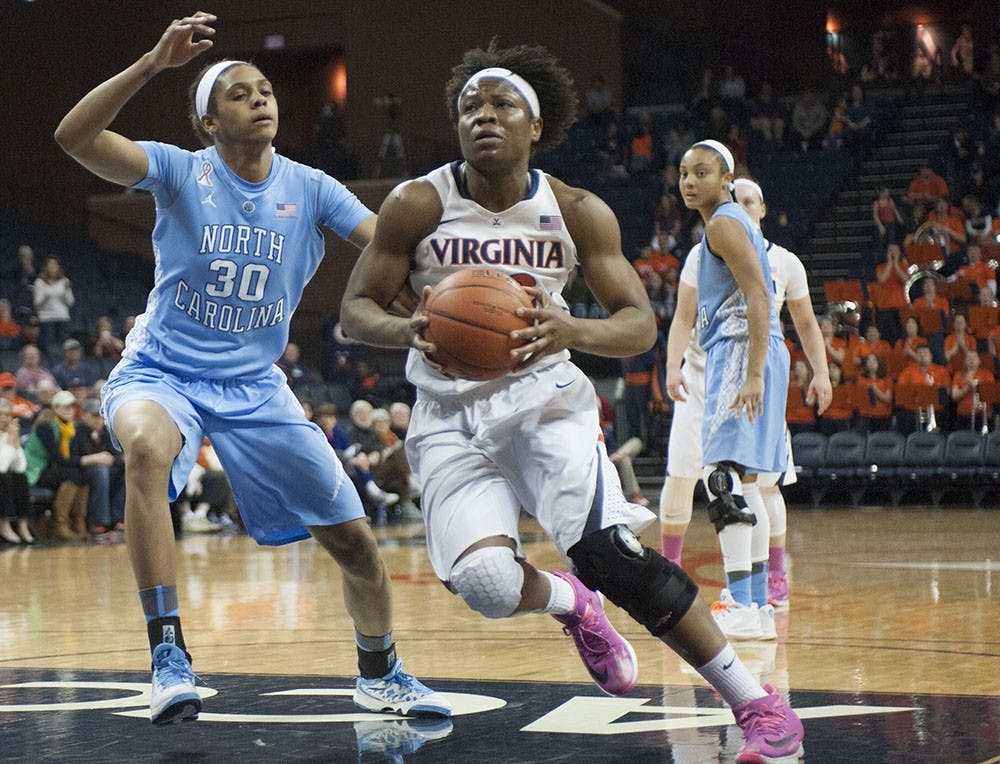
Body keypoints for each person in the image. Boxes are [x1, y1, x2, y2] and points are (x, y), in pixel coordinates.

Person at [340, 45, 803, 762]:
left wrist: (568, 328)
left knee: (613, 556)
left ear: (536, 125)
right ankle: (570, 604)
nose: (484, 116)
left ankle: (756, 705)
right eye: (470, 107)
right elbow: (356, 310)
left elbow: (638, 324)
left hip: (544, 401)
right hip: (449, 416)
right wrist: (412, 329)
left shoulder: (577, 210)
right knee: (489, 586)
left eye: (502, 106)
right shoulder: (417, 202)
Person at [54, 11, 448, 726]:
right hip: (161, 371)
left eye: (266, 89)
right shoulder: (179, 170)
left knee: (355, 541)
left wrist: (442, 290)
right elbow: (74, 139)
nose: (260, 98)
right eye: (239, 93)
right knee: (145, 446)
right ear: (208, 121)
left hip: (256, 385)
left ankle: (381, 671)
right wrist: (150, 63)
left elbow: (389, 244)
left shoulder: (313, 186)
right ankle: (168, 655)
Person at [661, 175, 830, 621]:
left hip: (748, 370)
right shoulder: (702, 255)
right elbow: (681, 318)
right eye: (735, 200)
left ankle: (755, 591)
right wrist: (673, 365)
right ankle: (741, 598)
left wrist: (818, 373)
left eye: (749, 200)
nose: (740, 206)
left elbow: (804, 322)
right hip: (705, 377)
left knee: (742, 482)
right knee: (704, 479)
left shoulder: (783, 263)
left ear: (762, 209)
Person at [0, 398, 34, 544]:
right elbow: (1, 467)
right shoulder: (7, 438)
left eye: (7, 415)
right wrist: (10, 443)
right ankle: (4, 524)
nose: (3, 418)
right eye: (0, 414)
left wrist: (15, 442)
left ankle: (22, 523)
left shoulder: (9, 436)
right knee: (4, 478)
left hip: (6, 475)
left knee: (21, 478)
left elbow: (20, 467)